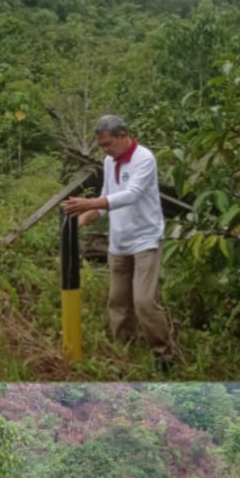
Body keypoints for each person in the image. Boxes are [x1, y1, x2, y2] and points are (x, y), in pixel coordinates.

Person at [62, 115, 174, 371]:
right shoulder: (109, 161)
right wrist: (82, 218)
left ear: (123, 136)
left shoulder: (143, 159)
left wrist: (90, 203)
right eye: (102, 146)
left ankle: (163, 355)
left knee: (144, 301)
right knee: (118, 302)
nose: (106, 150)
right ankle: (123, 351)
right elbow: (106, 199)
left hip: (145, 240)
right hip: (119, 241)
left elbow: (131, 195)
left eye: (109, 144)